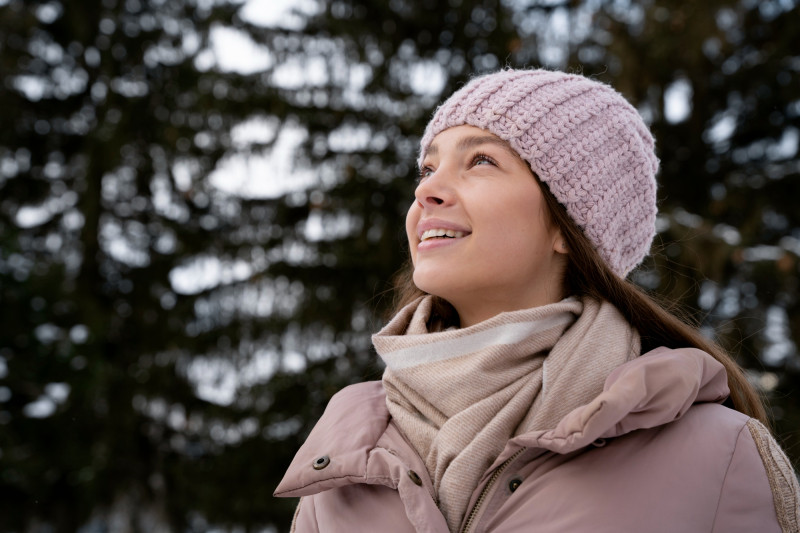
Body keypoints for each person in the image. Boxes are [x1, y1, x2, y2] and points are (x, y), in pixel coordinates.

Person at [274, 69, 800, 532]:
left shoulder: (717, 456)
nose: (426, 192)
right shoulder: (340, 465)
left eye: (480, 160)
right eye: (427, 169)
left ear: (568, 227)